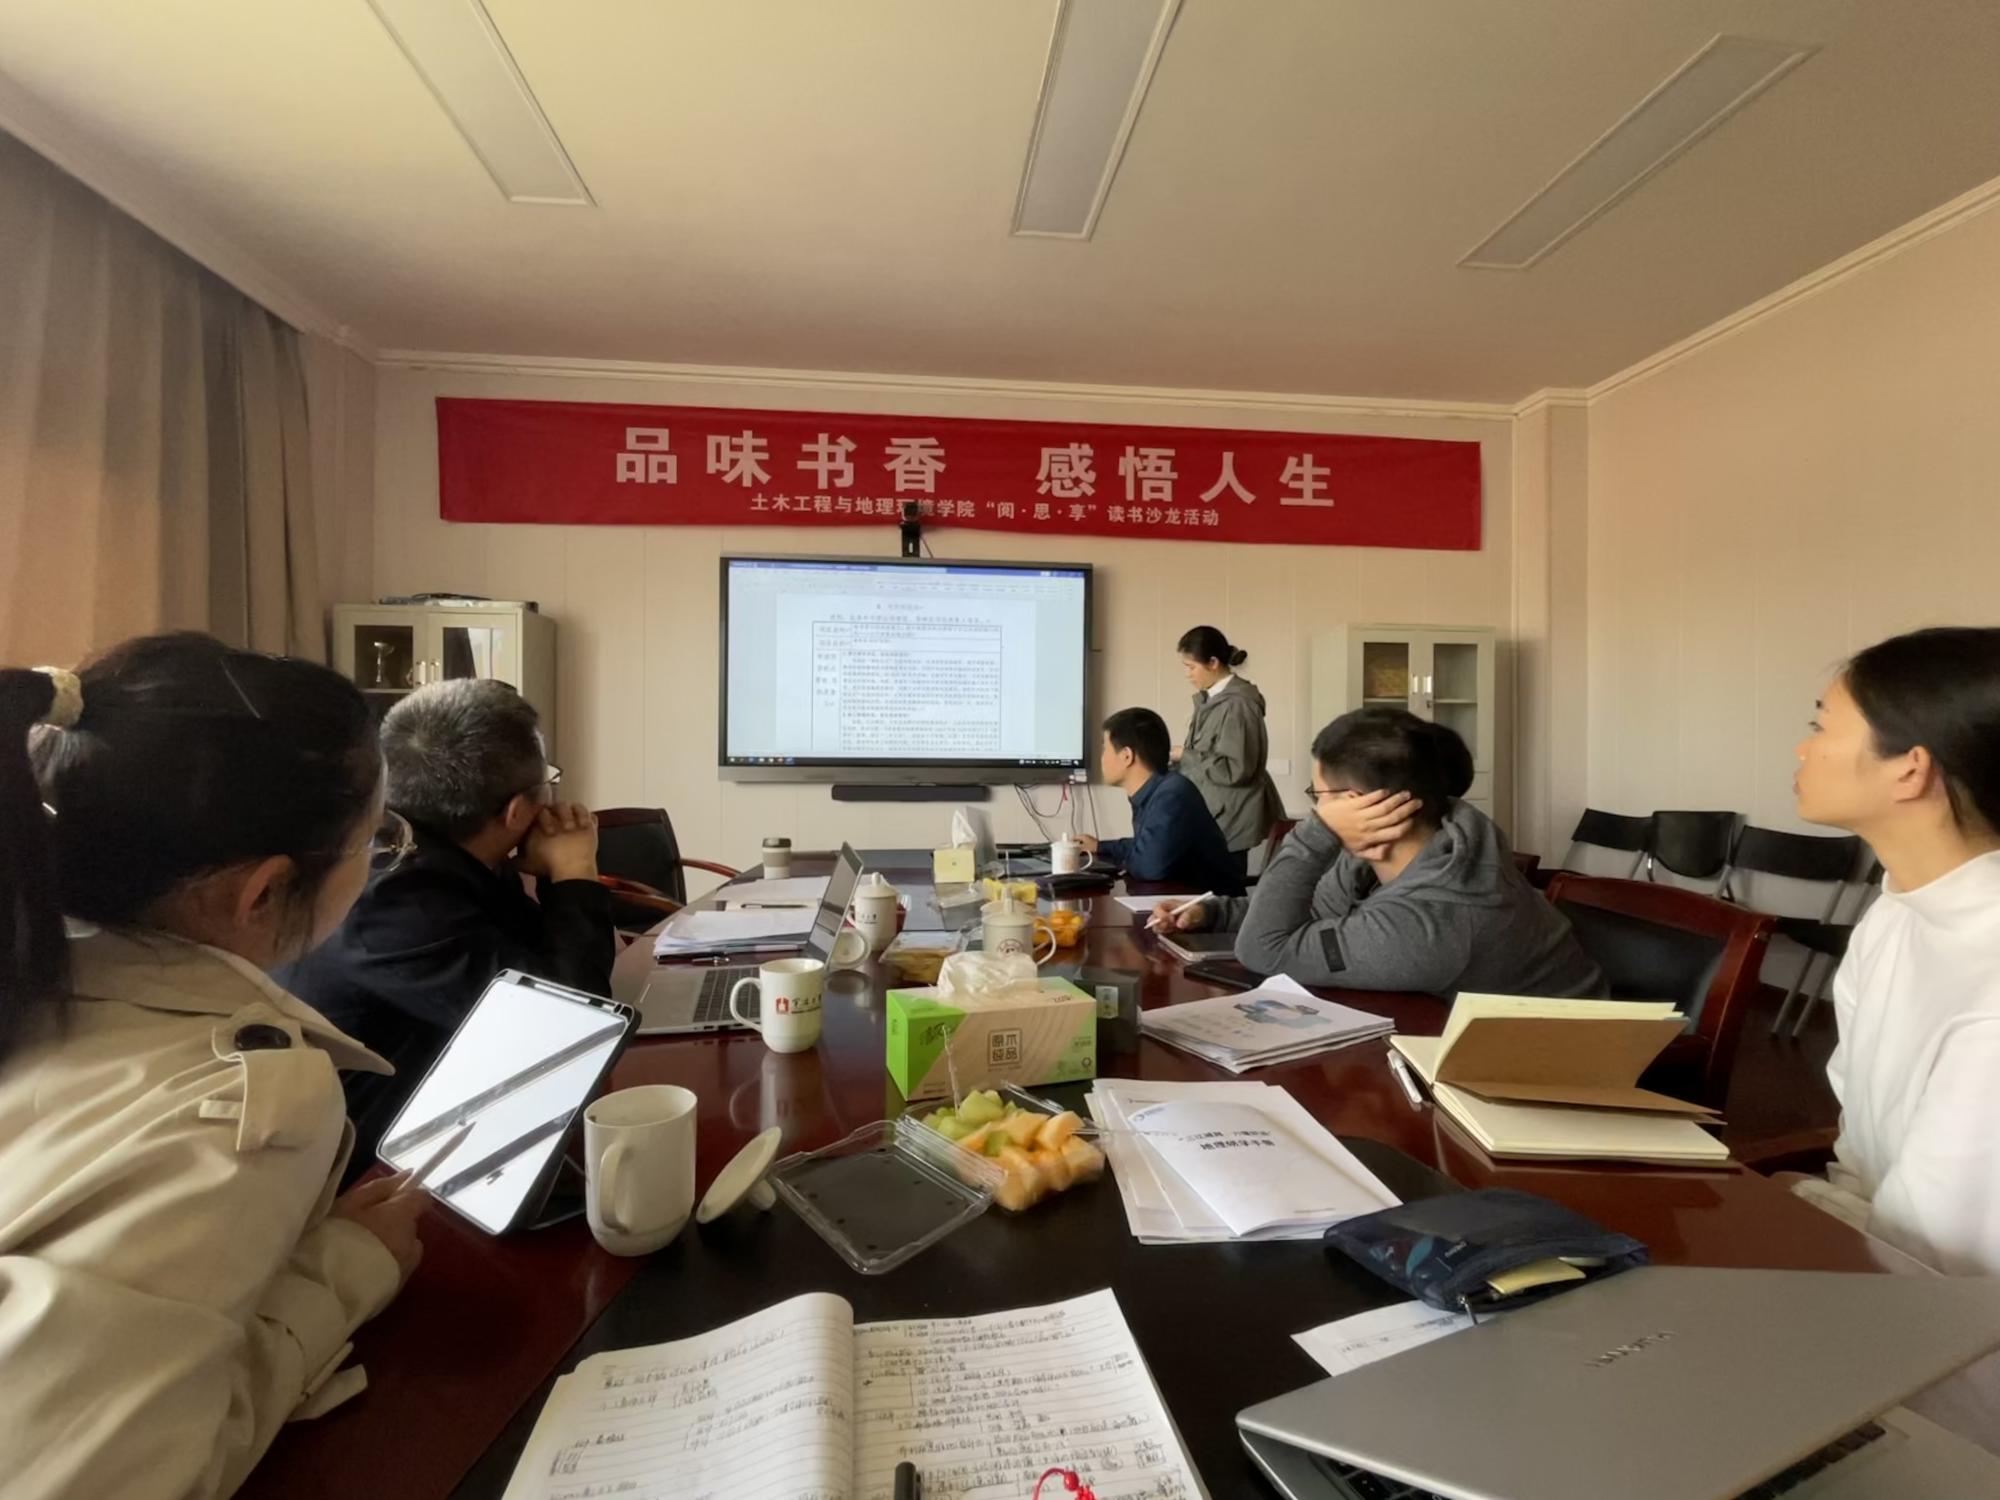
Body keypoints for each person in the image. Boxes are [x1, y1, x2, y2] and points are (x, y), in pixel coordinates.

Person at [0, 634, 424, 1500]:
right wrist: (340, 1273)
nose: (382, 859)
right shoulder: (239, 1104)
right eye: (375, 840)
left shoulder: (28, 991)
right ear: (262, 892)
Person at [283, 678, 614, 1179]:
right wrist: (574, 873)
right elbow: (570, 1023)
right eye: (547, 781)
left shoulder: (438, 849)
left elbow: (538, 961)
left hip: (452, 1110)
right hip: (369, 1175)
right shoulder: (393, 897)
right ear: (516, 812)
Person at [1787, 627, 2000, 1274]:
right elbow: (1859, 1157)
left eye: (1821, 726)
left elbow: (1939, 1267)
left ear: (1910, 768)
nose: (1803, 748)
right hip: (1882, 1274)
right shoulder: (1895, 912)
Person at [1157, 707, 1603, 998]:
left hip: (1560, 1083)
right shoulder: (1394, 851)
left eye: (1319, 796)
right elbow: (1310, 911)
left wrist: (1317, 834)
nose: (1316, 809)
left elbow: (1264, 950)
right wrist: (1213, 912)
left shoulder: (1432, 922)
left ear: (1358, 805)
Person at [1079, 706, 1246, 897]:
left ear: (1127, 755)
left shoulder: (1172, 795)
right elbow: (1147, 845)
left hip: (1214, 910)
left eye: (1105, 749)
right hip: (1182, 902)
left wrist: (1121, 861)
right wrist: (1100, 847)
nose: (1101, 758)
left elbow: (1149, 866)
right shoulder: (1158, 789)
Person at [1171, 625, 1286, 880]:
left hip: (1229, 822)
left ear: (1213, 663)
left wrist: (1185, 755)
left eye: (1191, 667)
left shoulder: (1238, 705)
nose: (1188, 675)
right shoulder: (1211, 700)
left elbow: (1236, 769)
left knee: (1219, 897)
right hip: (1214, 816)